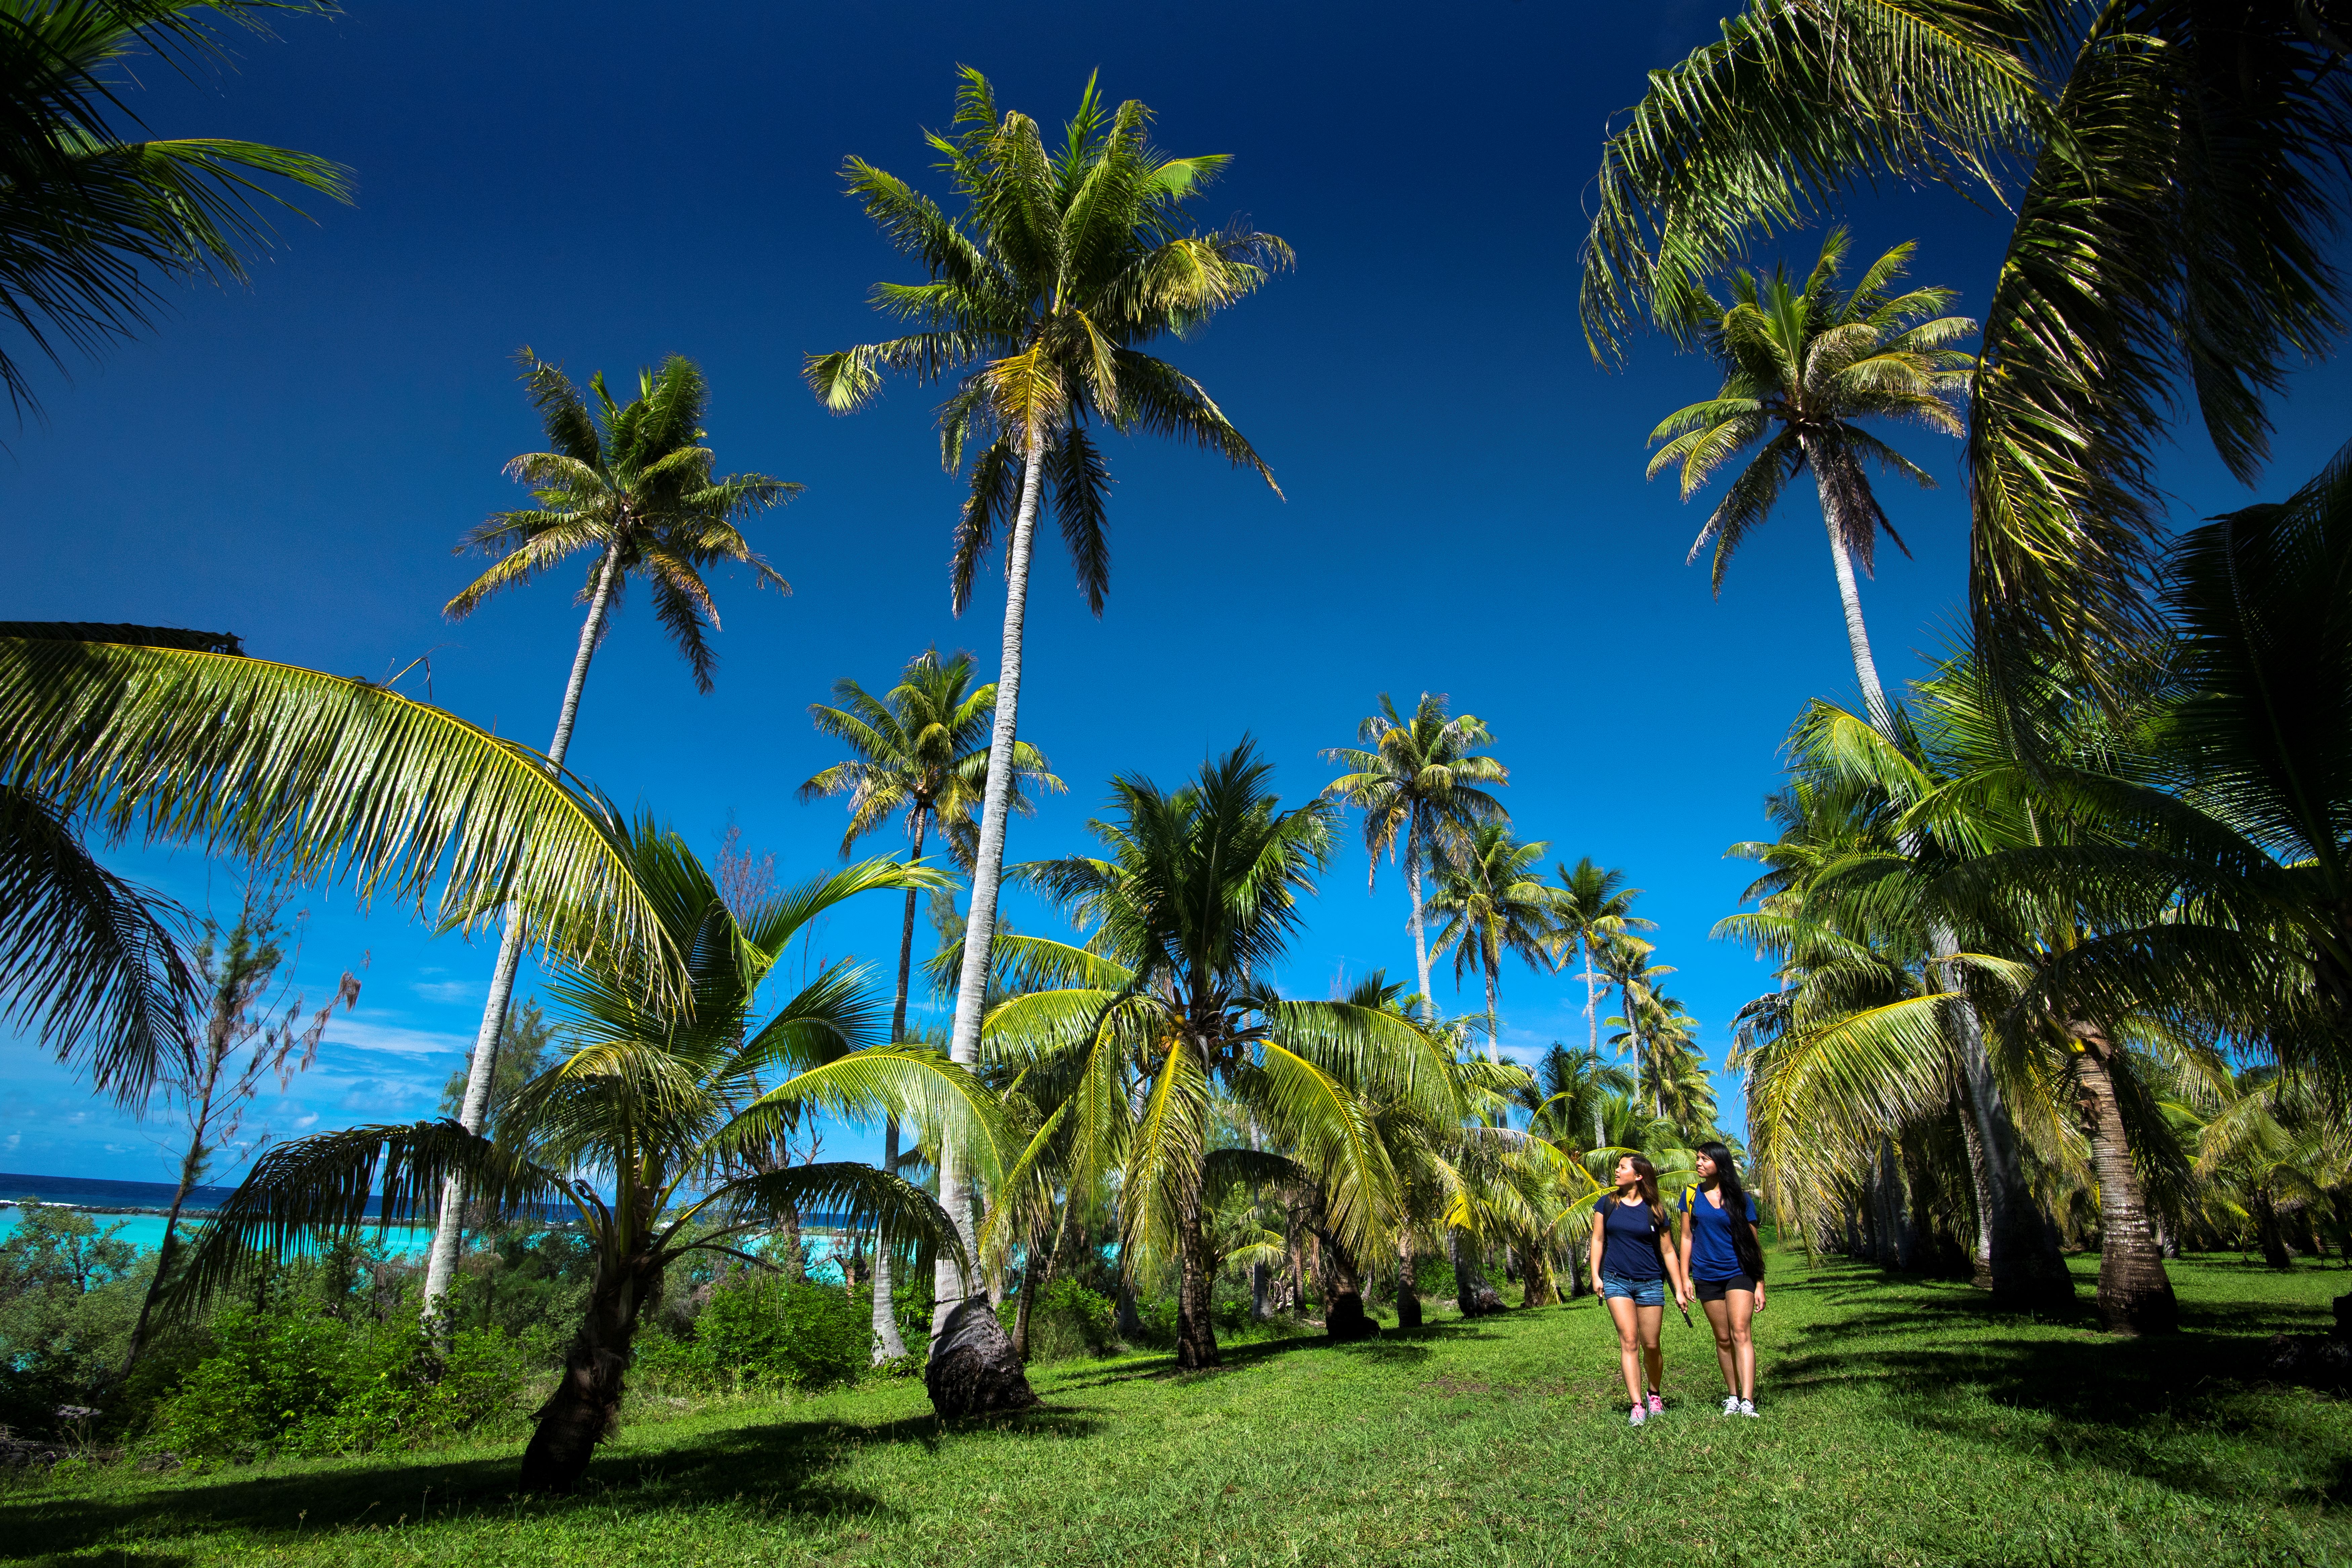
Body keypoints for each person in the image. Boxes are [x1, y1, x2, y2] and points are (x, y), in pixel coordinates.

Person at [1587, 1152, 1686, 1426]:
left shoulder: (1655, 1209)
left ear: (1639, 1175)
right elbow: (1598, 1239)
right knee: (1629, 1341)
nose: (1617, 1171)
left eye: (1622, 1168)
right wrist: (1596, 1275)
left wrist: (1678, 1288)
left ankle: (1654, 1394)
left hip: (1651, 1281)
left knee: (1651, 1344)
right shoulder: (1606, 1204)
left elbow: (1668, 1251)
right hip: (1617, 1279)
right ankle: (1637, 1404)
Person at [1679, 1140, 1767, 1417]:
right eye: (1697, 1158)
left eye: (1705, 1159)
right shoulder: (1690, 1196)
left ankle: (1747, 1400)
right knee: (1723, 1338)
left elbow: (1753, 1242)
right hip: (1707, 1274)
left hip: (1739, 1272)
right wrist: (1685, 1277)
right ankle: (1732, 1395)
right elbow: (1686, 1237)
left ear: (1720, 1162)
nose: (1699, 1163)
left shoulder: (1740, 1198)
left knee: (1741, 1332)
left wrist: (1760, 1282)